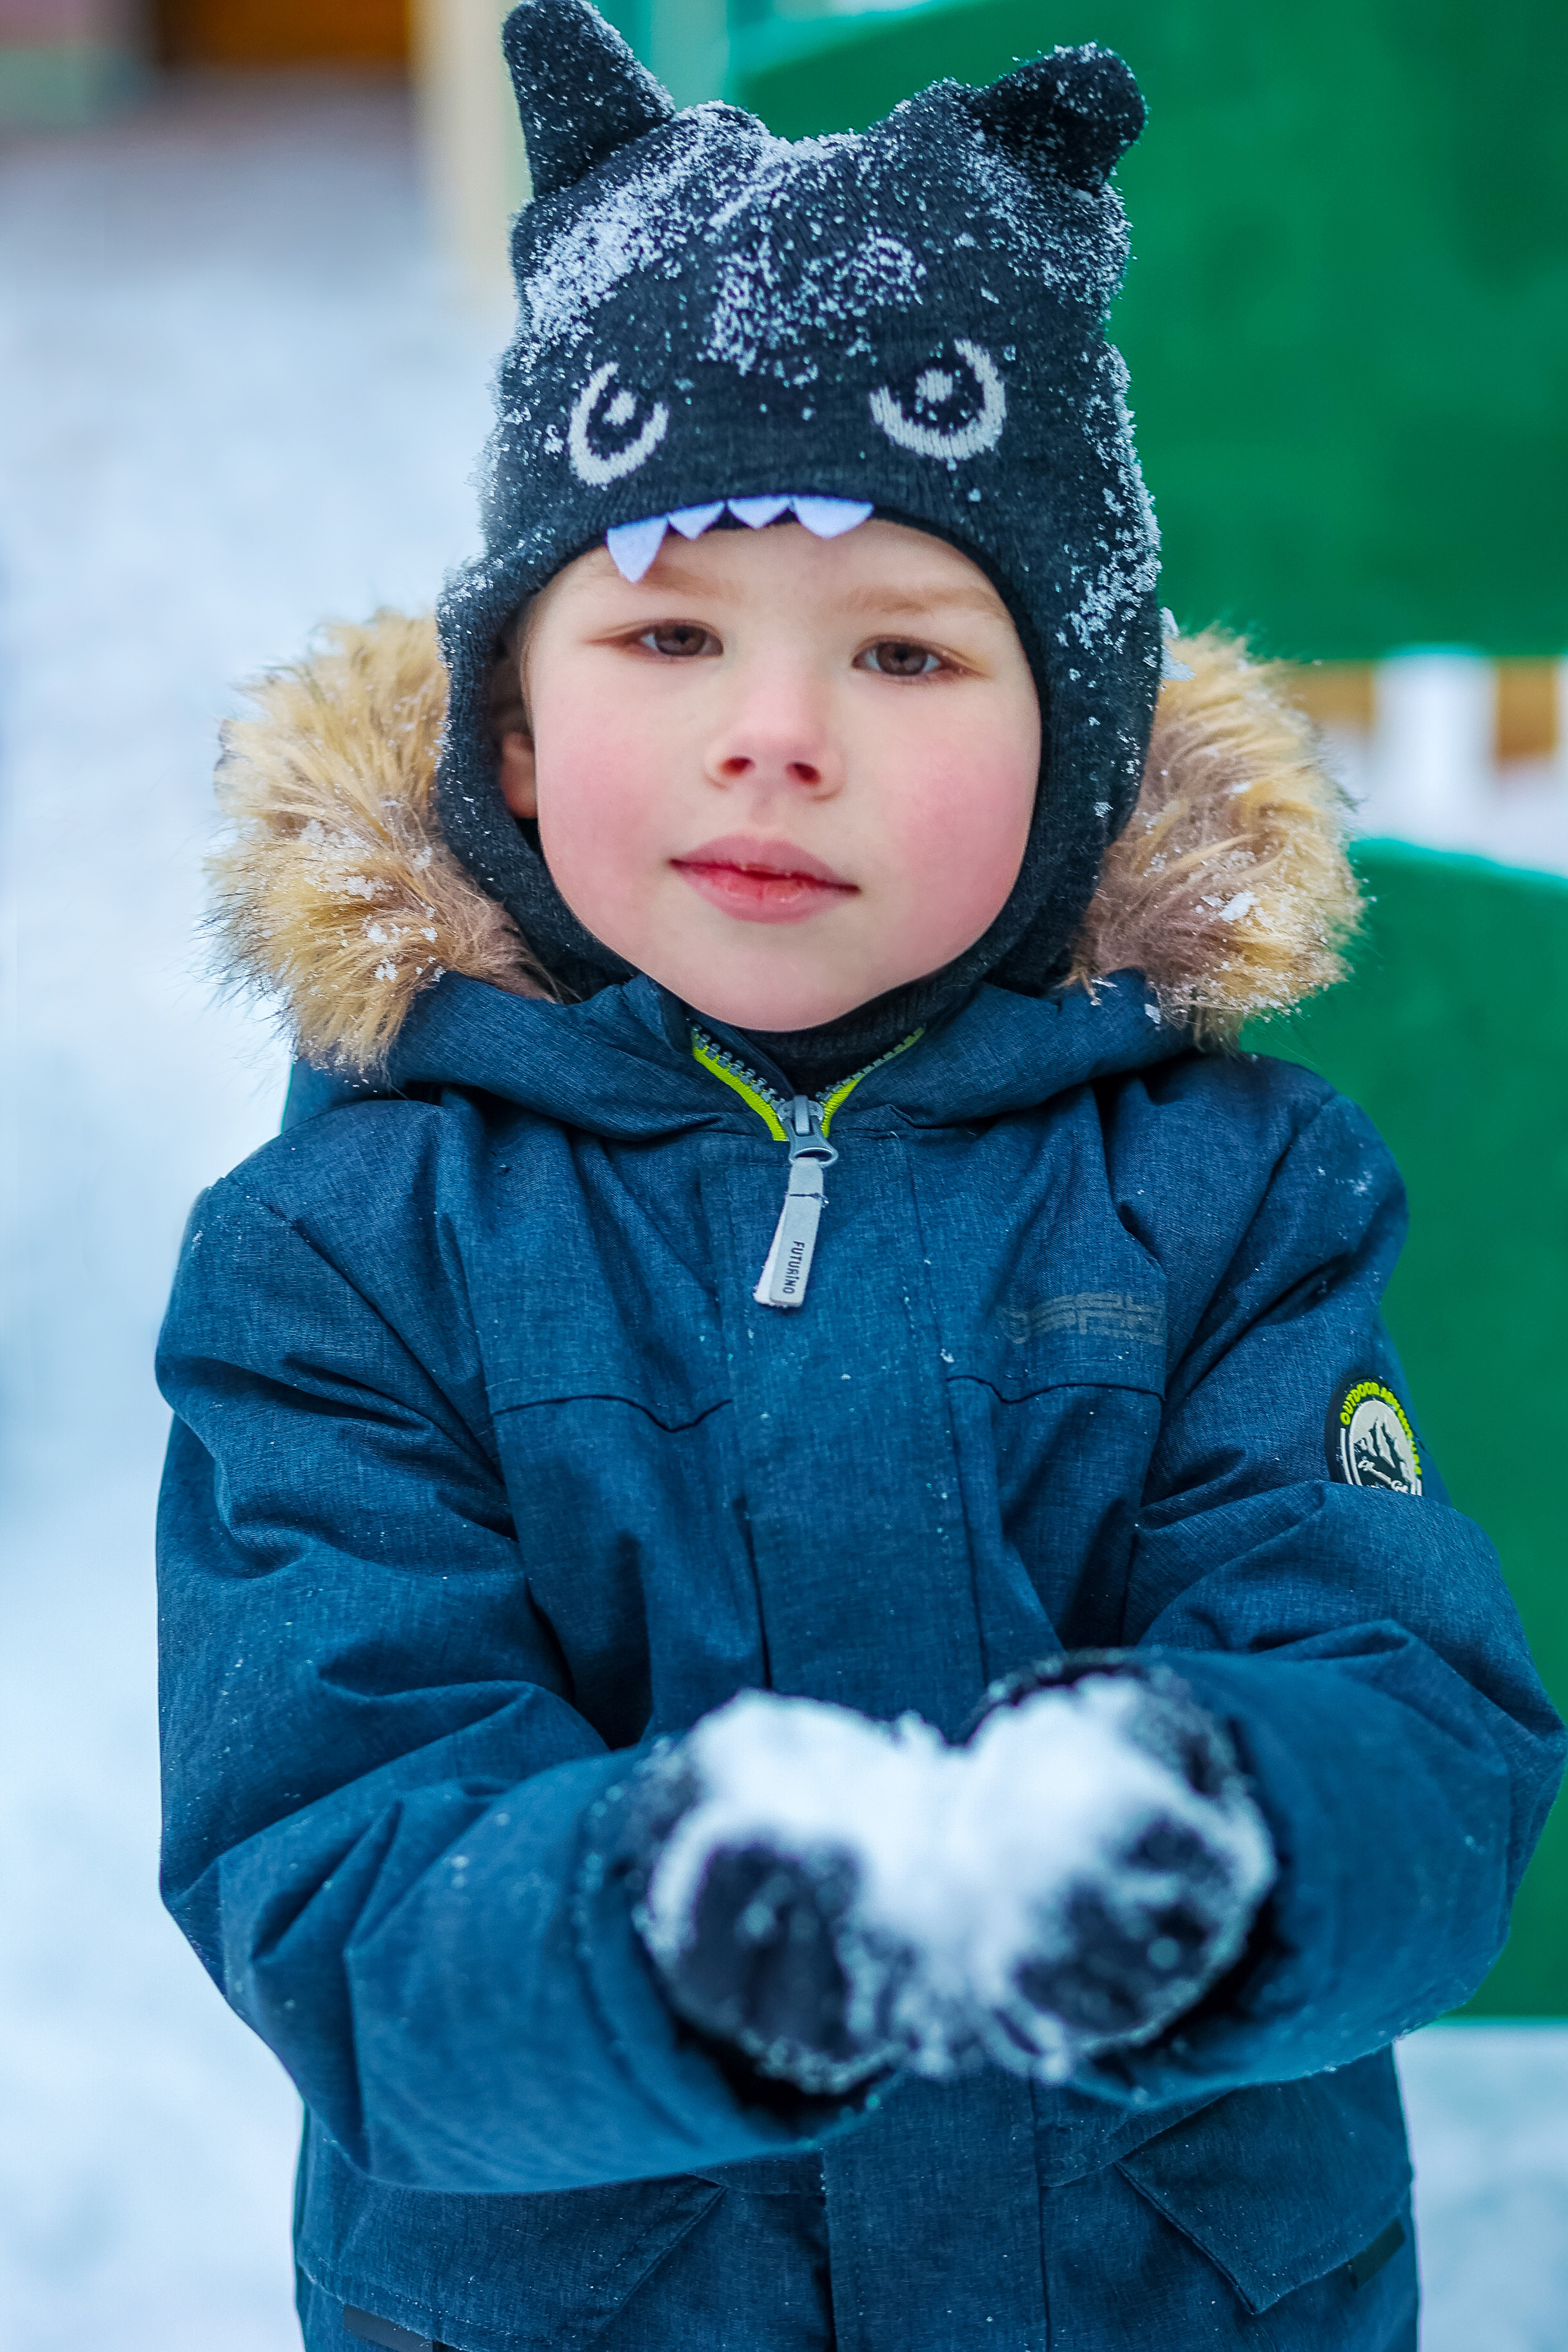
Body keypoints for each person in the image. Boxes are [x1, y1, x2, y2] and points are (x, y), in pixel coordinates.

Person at [155, 6, 1564, 2347]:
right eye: (670, 631)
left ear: (1081, 748)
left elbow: (1415, 1712)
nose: (775, 733)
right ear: (514, 726)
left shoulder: (1232, 1203)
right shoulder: (348, 1257)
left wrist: (1232, 1842)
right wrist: (658, 1930)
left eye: (908, 651)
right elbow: (330, 1848)